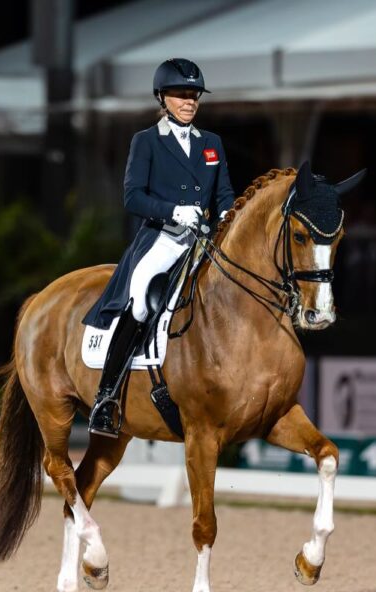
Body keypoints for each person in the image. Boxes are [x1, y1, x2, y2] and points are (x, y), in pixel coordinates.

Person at [82, 58, 235, 437]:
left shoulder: (211, 143)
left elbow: (224, 193)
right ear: (162, 98)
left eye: (194, 95)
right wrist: (173, 211)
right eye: (181, 95)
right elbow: (132, 196)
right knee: (139, 301)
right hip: (163, 238)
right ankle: (107, 397)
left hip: (203, 239)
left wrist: (229, 214)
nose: (189, 102)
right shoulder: (147, 141)